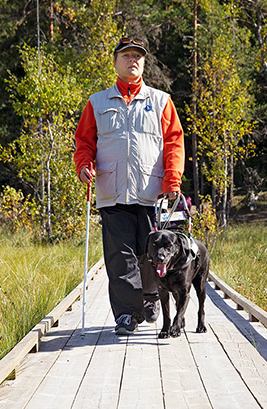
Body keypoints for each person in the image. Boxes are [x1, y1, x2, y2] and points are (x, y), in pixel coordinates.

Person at [73, 37, 185, 335]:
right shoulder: (97, 102)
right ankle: (127, 314)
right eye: (126, 55)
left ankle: (150, 298)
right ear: (115, 62)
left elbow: (174, 141)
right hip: (112, 192)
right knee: (119, 257)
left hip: (150, 194)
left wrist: (172, 178)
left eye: (138, 56)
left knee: (150, 253)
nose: (132, 60)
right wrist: (83, 166)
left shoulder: (160, 101)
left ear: (144, 63)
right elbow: (84, 142)